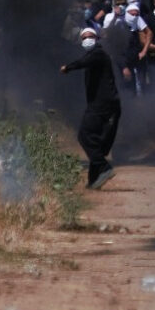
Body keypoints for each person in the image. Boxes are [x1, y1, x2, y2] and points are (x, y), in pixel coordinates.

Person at [59, 27, 121, 189]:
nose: (87, 39)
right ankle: (94, 180)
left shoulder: (98, 54)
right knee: (96, 140)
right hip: (103, 104)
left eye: (90, 36)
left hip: (102, 105)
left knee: (84, 135)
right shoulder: (93, 55)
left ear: (96, 38)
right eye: (84, 37)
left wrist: (68, 67)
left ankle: (104, 167)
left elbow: (83, 62)